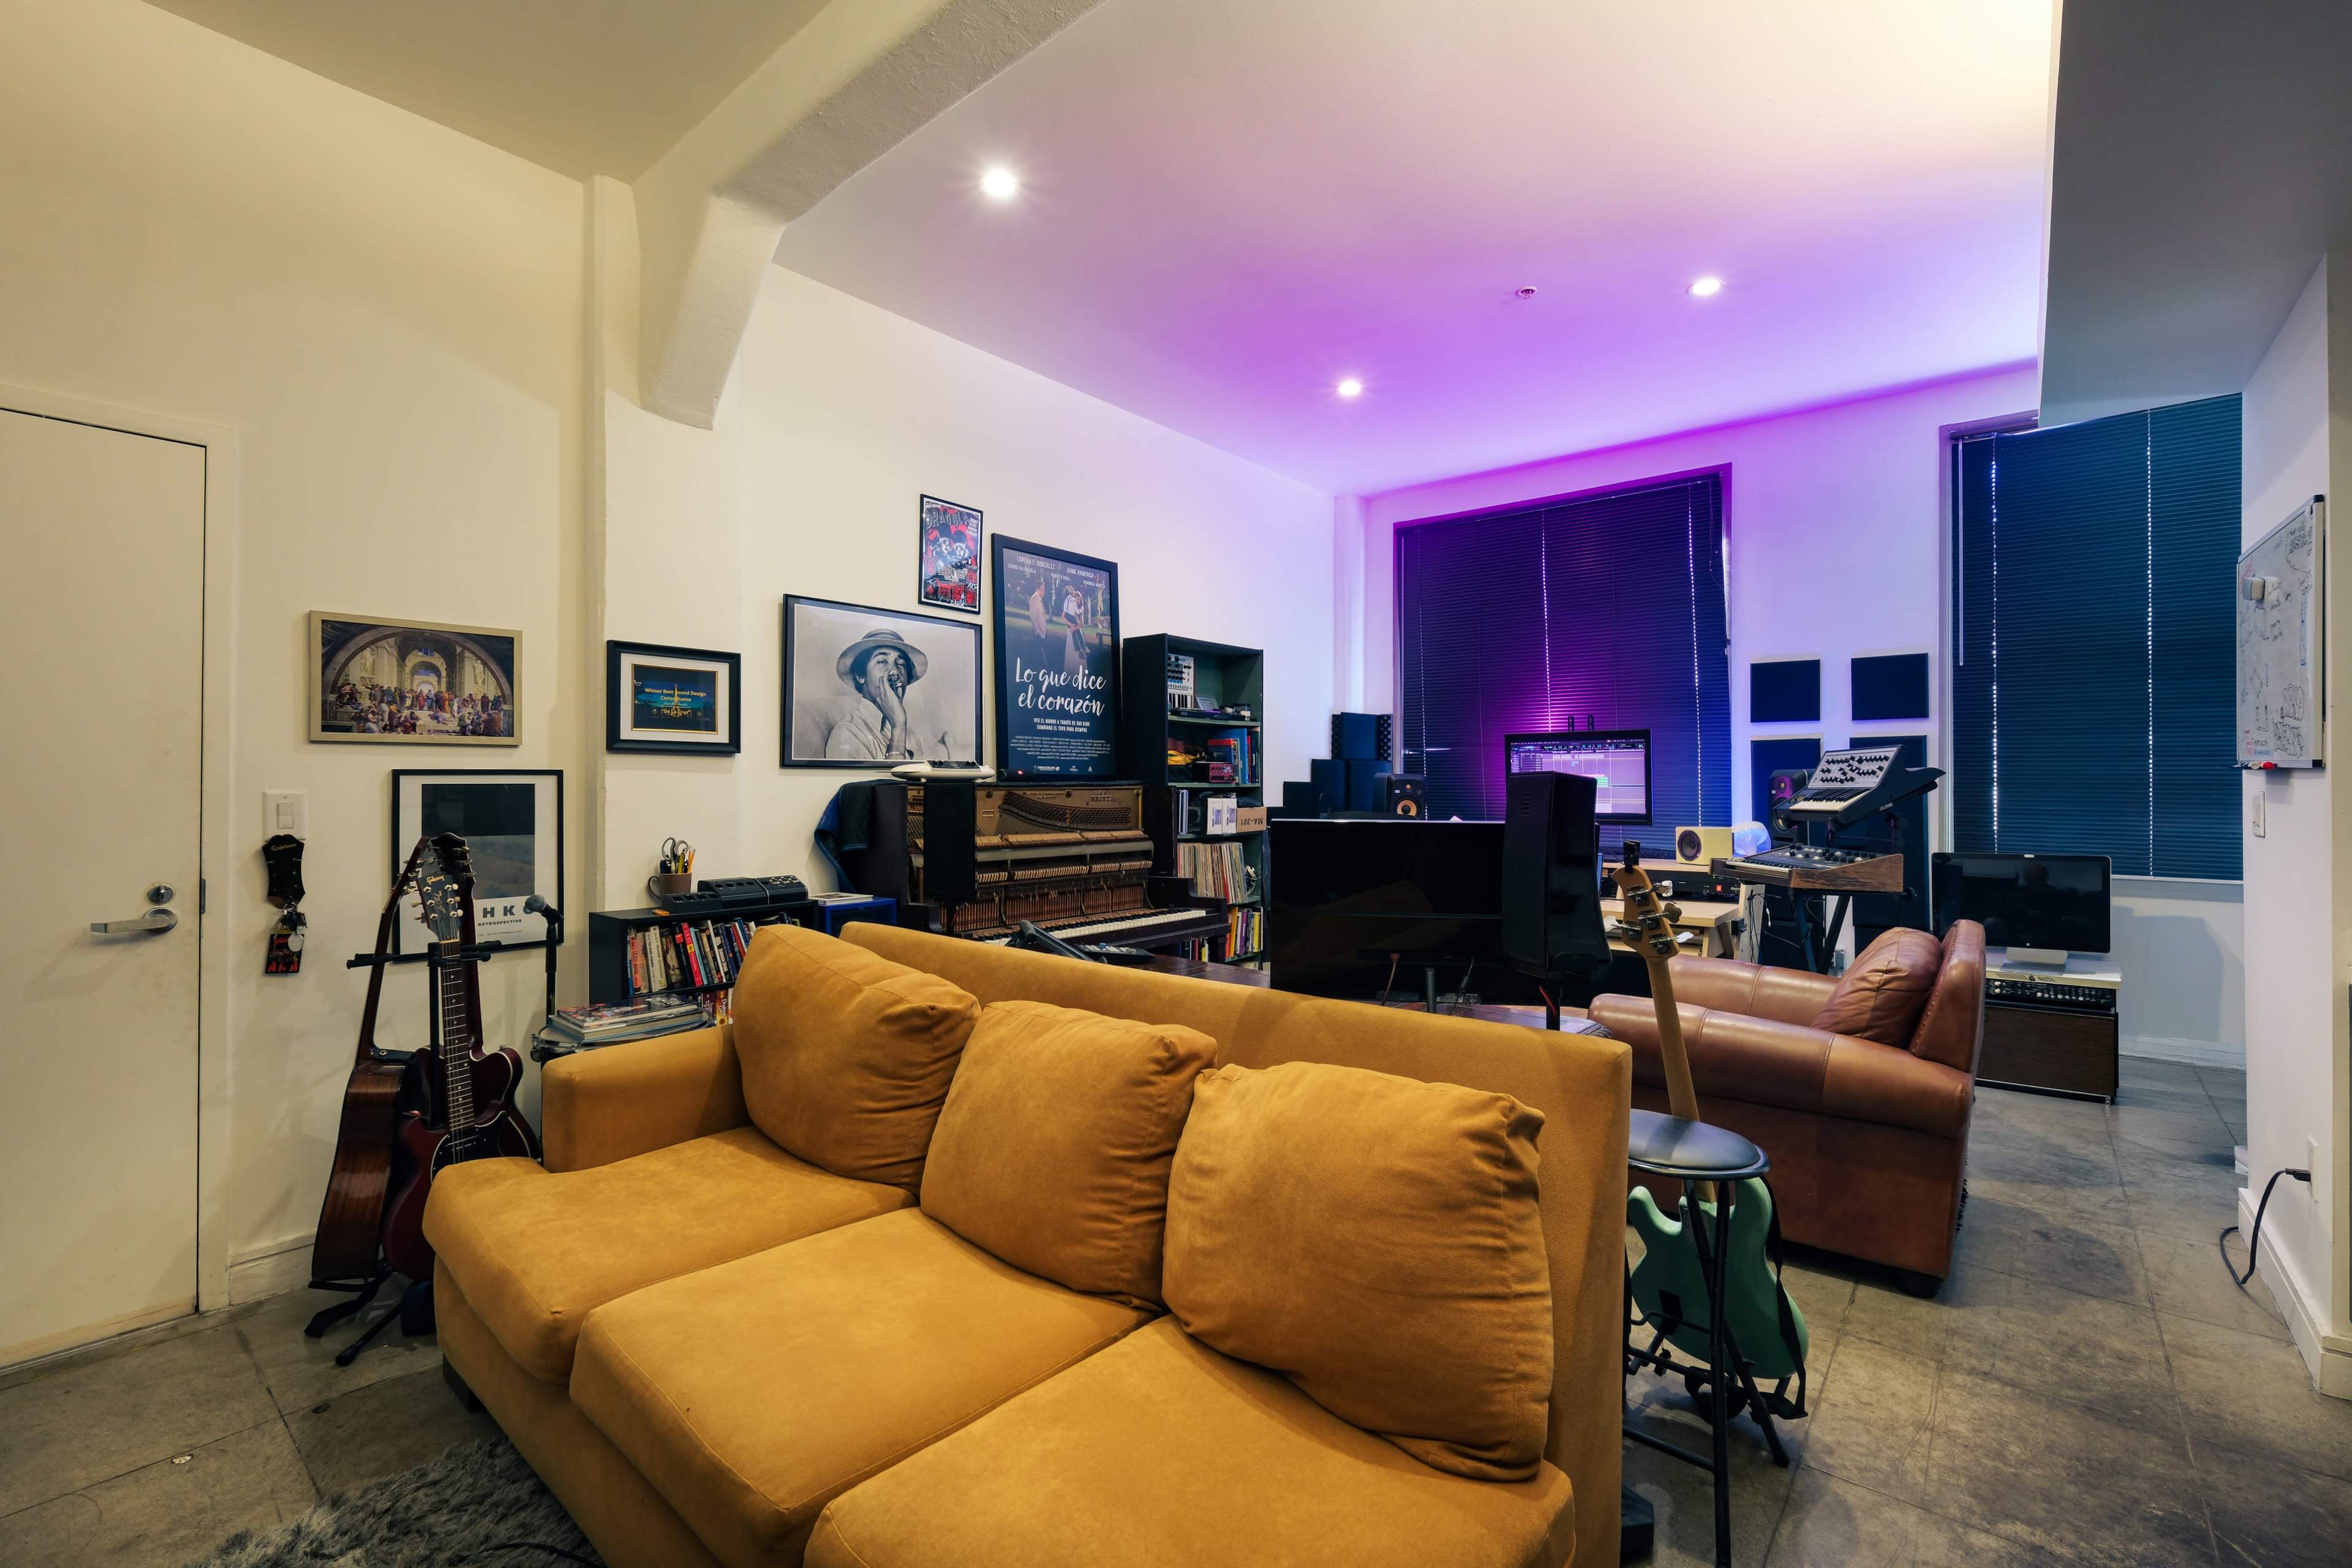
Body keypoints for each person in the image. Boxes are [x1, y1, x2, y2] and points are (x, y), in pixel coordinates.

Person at [802, 627, 960, 762]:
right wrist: (898, 726)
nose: (895, 672)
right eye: (883, 662)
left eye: (901, 664)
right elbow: (884, 788)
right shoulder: (848, 735)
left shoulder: (911, 735)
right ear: (860, 675)